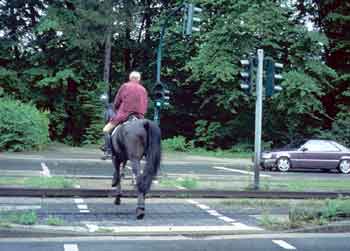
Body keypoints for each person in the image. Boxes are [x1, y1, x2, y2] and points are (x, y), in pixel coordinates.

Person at [101, 71, 148, 158]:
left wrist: (116, 108)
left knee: (106, 130)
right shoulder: (143, 89)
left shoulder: (125, 86)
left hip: (124, 115)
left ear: (130, 78)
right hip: (139, 117)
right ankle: (146, 152)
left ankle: (108, 150)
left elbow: (117, 101)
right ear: (139, 79)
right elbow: (145, 105)